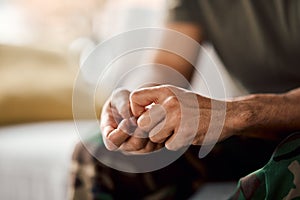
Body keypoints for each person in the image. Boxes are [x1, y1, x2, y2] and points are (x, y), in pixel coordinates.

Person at [70, 1, 300, 199]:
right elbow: (169, 64)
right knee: (100, 154)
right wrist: (138, 101)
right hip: (257, 131)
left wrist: (239, 113)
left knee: (287, 171)